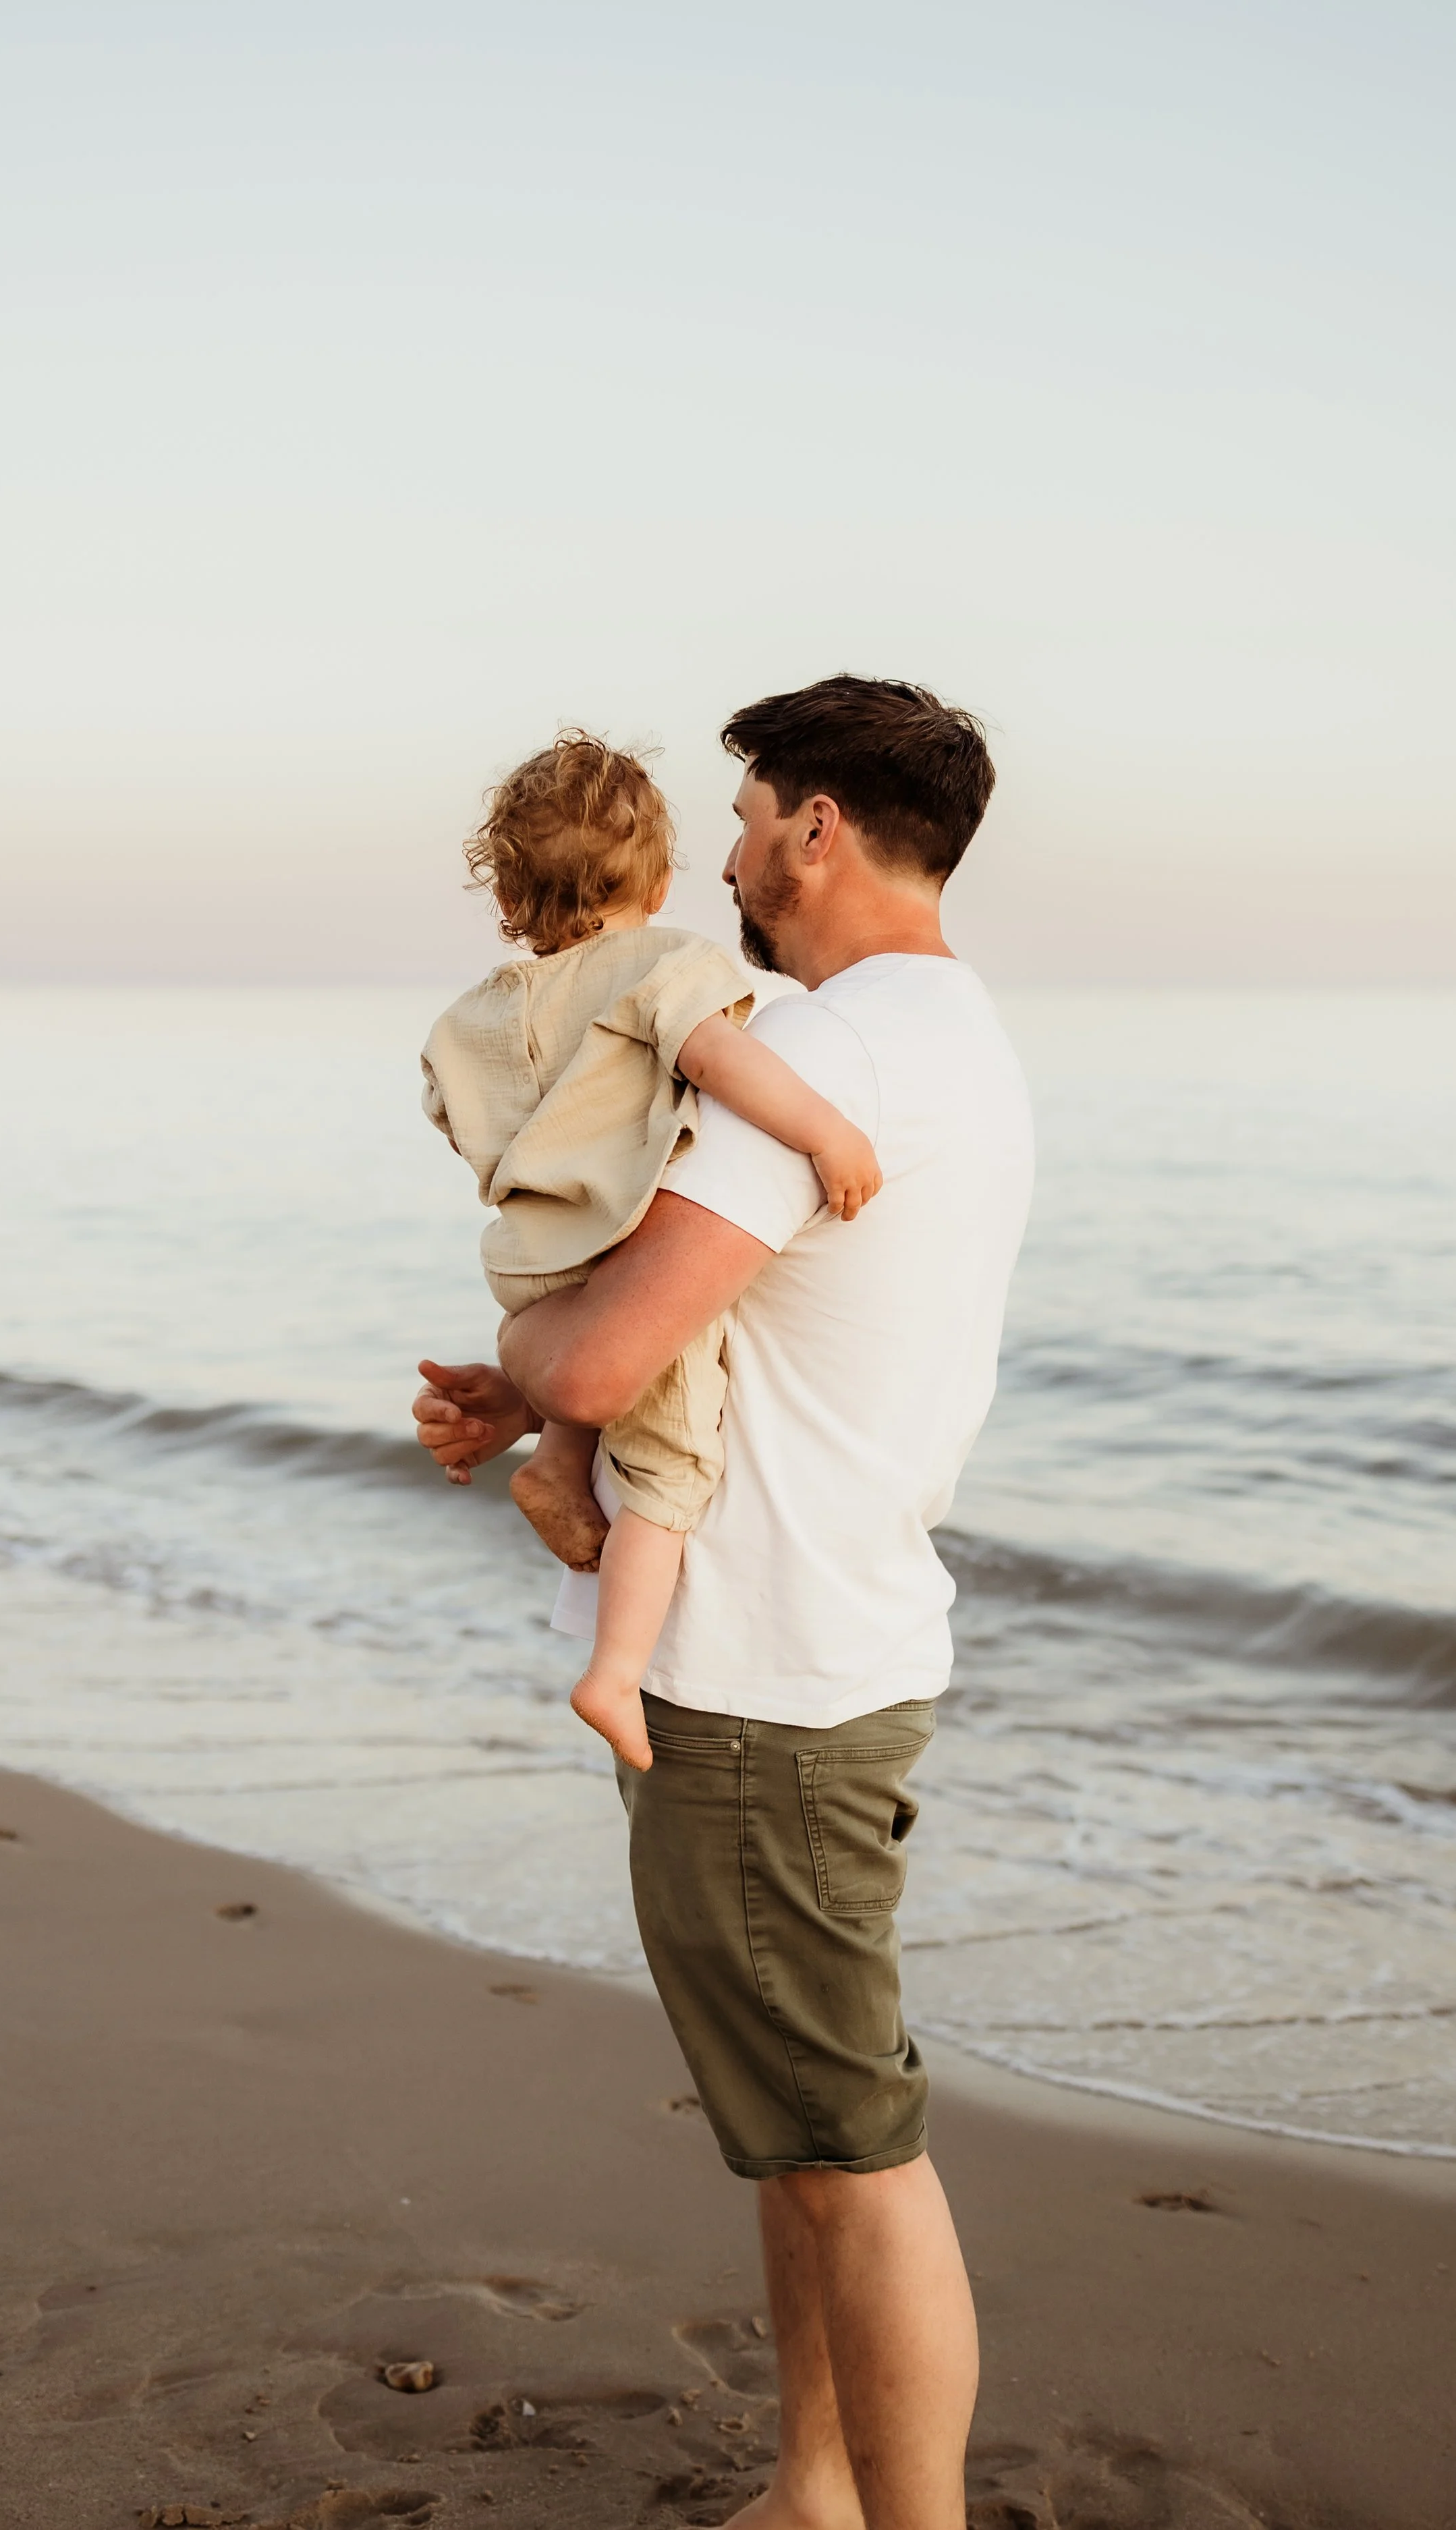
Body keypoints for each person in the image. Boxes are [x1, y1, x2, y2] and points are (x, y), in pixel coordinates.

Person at [415, 674, 1034, 2530]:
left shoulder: (815, 1054)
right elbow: (697, 1325)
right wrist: (538, 1392)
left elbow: (609, 1348)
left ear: (817, 827)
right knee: (795, 2125)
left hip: (758, 1679)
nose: (737, 850)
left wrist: (533, 1362)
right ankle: (813, 2488)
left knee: (852, 2150)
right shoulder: (956, 1035)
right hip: (838, 1634)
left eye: (754, 812)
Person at [421, 729, 883, 1772]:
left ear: (509, 897)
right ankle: (614, 1671)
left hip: (534, 1251)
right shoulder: (667, 965)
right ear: (662, 878)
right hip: (619, 1232)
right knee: (672, 1464)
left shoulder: (473, 1015)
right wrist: (825, 1133)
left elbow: (450, 1115)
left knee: (593, 1362)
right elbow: (719, 1060)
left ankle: (556, 1463)